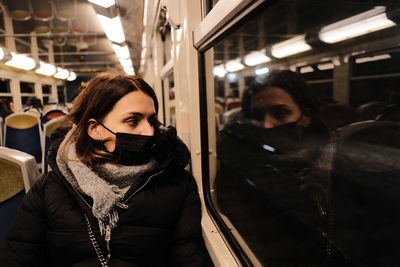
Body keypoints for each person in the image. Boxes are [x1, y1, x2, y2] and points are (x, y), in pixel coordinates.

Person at [0, 73, 211, 266]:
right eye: (132, 121)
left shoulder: (178, 183)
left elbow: (188, 254)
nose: (150, 131)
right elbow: (20, 255)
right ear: (95, 130)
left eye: (152, 120)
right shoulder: (49, 189)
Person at [215, 70, 337, 266]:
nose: (267, 125)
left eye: (280, 113)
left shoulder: (337, 161)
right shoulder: (240, 163)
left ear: (305, 116)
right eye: (257, 116)